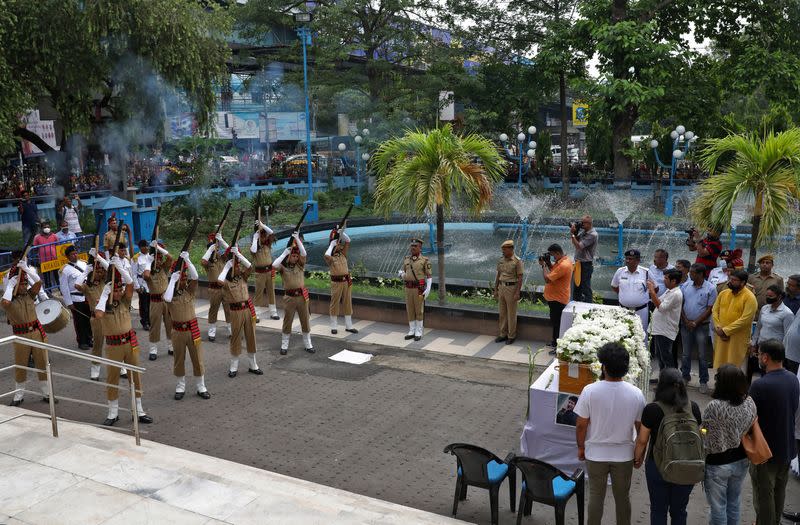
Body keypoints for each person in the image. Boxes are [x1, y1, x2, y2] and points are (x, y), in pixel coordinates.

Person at [574, 342, 645, 525]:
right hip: (623, 456)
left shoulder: (590, 391)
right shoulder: (636, 394)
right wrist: (639, 454)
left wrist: (581, 447)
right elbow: (640, 429)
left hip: (595, 454)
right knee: (622, 498)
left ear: (604, 367)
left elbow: (581, 425)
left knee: (596, 496)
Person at [633, 369, 702, 525]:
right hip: (687, 466)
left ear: (661, 386)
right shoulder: (694, 408)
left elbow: (642, 440)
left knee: (658, 509)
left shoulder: (652, 409)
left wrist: (637, 458)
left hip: (657, 465)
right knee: (679, 511)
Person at [94, 255, 152, 427]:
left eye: (119, 290)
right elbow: (98, 315)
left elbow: (130, 283)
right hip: (113, 346)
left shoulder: (125, 301)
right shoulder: (102, 303)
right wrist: (105, 295)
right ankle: (113, 413)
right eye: (115, 291)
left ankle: (139, 411)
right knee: (113, 379)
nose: (118, 293)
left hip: (129, 342)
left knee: (135, 377)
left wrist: (119, 267)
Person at [748, 339, 799, 525]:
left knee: (764, 497)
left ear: (766, 357)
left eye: (759, 354)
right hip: (786, 448)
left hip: (765, 452)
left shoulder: (760, 386)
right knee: (779, 492)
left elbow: (749, 418)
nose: (758, 357)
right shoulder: (793, 379)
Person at [701, 364, 758, 525]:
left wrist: (701, 431)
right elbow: (749, 426)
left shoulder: (715, 406)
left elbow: (705, 432)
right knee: (734, 503)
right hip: (741, 459)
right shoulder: (749, 402)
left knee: (718, 507)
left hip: (718, 463)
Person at [1, 253, 52, 405]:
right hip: (20, 335)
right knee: (20, 365)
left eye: (24, 284)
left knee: (42, 364)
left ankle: (47, 393)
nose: (23, 287)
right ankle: (18, 395)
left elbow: (38, 283)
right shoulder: (9, 302)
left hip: (36, 332)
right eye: (21, 285)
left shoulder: (29, 295)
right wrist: (10, 285)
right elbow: (4, 302)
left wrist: (27, 271)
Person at [164, 252, 210, 400]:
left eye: (184, 278)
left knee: (197, 358)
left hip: (192, 329)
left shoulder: (189, 291)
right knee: (179, 359)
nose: (184, 281)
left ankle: (200, 386)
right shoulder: (171, 293)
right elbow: (166, 298)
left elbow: (195, 277)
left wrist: (188, 260)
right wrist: (172, 281)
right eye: (181, 279)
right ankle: (180, 386)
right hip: (178, 331)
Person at [219, 242, 262, 375]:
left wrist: (238, 255)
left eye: (237, 265)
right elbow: (219, 281)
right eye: (236, 266)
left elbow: (250, 266)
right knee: (236, 337)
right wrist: (226, 267)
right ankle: (234, 366)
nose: (238, 267)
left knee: (251, 336)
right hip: (235, 311)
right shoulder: (226, 282)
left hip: (247, 309)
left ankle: (253, 365)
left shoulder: (243, 276)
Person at [273, 233, 314, 354]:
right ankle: (284, 345)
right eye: (293, 256)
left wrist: (296, 239)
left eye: (297, 256)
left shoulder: (300, 265)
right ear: (289, 256)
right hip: (289, 297)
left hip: (301, 297)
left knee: (305, 320)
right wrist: (285, 253)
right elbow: (274, 265)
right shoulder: (283, 267)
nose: (296, 258)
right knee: (288, 321)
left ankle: (308, 344)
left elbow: (304, 253)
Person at [679, 263, 717, 393]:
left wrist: (695, 322)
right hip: (685, 325)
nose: (689, 274)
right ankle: (685, 376)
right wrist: (685, 320)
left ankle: (703, 381)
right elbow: (681, 304)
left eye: (693, 272)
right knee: (685, 354)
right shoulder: (686, 285)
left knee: (702, 355)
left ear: (700, 274)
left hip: (701, 326)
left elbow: (709, 309)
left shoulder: (711, 289)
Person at [712, 270, 758, 369]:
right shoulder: (723, 293)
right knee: (720, 366)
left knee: (734, 368)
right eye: (730, 279)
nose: (730, 282)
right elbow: (715, 311)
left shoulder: (750, 297)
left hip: (737, 339)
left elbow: (745, 320)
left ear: (743, 282)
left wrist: (726, 331)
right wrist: (718, 328)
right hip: (721, 337)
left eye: (734, 280)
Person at [75, 250, 108, 381]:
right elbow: (76, 285)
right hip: (96, 318)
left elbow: (110, 268)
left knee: (114, 343)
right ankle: (95, 370)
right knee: (98, 344)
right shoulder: (87, 287)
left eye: (101, 272)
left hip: (109, 317)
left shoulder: (106, 282)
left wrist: (99, 258)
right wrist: (85, 271)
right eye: (97, 271)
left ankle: (120, 367)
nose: (100, 273)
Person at [750, 285, 794, 375]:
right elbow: (758, 327)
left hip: (775, 350)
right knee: (762, 373)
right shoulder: (764, 308)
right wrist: (754, 344)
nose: (767, 298)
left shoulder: (787, 313)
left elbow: (787, 335)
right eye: (767, 296)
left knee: (772, 374)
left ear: (779, 297)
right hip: (762, 348)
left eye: (770, 296)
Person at [647, 269, 683, 373]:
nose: (664, 280)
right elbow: (657, 301)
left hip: (665, 330)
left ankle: (671, 381)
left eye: (666, 278)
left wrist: (652, 291)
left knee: (666, 357)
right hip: (660, 329)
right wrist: (653, 291)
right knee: (660, 356)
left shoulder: (676, 293)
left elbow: (661, 307)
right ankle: (663, 378)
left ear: (674, 281)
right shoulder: (669, 291)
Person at [324, 227, 358, 335]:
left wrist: (340, 232)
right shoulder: (330, 256)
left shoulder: (343, 253)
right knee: (335, 303)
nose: (341, 245)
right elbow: (326, 255)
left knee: (348, 303)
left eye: (340, 243)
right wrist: (332, 244)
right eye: (338, 243)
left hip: (346, 281)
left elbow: (348, 240)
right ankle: (334, 326)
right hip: (336, 282)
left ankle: (349, 325)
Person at [143, 241, 173, 360]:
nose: (159, 262)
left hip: (167, 300)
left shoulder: (164, 269)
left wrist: (159, 248)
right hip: (155, 302)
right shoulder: (149, 272)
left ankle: (171, 347)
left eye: (160, 259)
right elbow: (145, 276)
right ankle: (153, 349)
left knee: (170, 324)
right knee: (155, 325)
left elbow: (170, 258)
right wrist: (148, 262)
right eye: (157, 260)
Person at [541, 243, 573, 352]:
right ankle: (555, 342)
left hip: (558, 299)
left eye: (553, 255)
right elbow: (554, 270)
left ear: (558, 253)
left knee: (558, 323)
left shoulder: (564, 265)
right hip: (555, 297)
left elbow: (547, 279)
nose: (552, 258)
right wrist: (549, 263)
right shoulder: (563, 261)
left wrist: (543, 265)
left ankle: (559, 346)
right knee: (555, 322)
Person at [398, 238, 432, 341]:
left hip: (419, 289)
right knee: (410, 309)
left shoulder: (424, 260)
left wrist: (428, 289)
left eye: (415, 246)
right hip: (408, 288)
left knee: (419, 310)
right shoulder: (407, 259)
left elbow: (429, 276)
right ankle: (412, 330)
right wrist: (401, 275)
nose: (412, 248)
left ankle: (419, 331)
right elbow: (404, 272)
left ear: (420, 248)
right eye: (412, 246)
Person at [59, 245, 92, 350]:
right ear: (67, 257)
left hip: (87, 297)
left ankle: (89, 338)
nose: (75, 255)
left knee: (89, 319)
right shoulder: (65, 270)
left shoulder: (84, 264)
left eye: (76, 253)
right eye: (72, 254)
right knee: (79, 321)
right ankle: (82, 341)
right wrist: (69, 303)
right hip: (76, 299)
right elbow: (64, 288)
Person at [611, 249, 650, 333]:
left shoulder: (646, 272)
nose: (627, 261)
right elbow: (614, 286)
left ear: (638, 260)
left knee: (641, 334)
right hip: (623, 310)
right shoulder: (620, 271)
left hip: (641, 311)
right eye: (627, 258)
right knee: (622, 333)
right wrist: (624, 295)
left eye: (630, 259)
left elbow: (655, 289)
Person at [201, 232, 231, 341]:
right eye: (215, 250)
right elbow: (203, 261)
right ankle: (212, 332)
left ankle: (231, 330)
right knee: (213, 309)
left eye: (217, 250)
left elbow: (230, 251)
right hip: (214, 289)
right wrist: (210, 250)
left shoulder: (222, 259)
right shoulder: (208, 263)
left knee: (228, 309)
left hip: (225, 288)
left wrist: (221, 240)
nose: (217, 251)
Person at [495, 239, 524, 345]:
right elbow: (498, 275)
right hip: (502, 287)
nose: (503, 251)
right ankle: (503, 334)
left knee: (511, 313)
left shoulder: (517, 261)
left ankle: (511, 335)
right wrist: (495, 289)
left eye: (505, 249)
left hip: (512, 288)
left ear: (511, 249)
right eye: (502, 249)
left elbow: (520, 278)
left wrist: (517, 292)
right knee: (502, 313)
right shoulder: (501, 260)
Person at [250, 220, 280, 322]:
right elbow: (253, 250)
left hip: (269, 271)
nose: (264, 237)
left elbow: (271, 232)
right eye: (261, 235)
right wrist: (255, 238)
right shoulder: (254, 247)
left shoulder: (268, 244)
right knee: (259, 293)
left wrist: (262, 225)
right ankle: (256, 314)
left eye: (264, 235)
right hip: (260, 273)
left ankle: (273, 312)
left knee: (271, 292)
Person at [570, 215, 598, 303]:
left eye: (583, 223)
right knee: (577, 287)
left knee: (585, 288)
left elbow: (578, 246)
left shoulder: (592, 234)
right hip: (579, 263)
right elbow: (577, 240)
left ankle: (588, 307)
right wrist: (575, 232)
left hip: (586, 265)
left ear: (589, 224)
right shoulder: (585, 232)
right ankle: (576, 305)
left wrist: (572, 235)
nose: (581, 224)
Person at [131, 239, 151, 330]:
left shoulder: (151, 256)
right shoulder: (136, 258)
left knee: (150, 303)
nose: (146, 248)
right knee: (144, 304)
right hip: (141, 283)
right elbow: (133, 274)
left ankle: (150, 320)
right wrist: (137, 286)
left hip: (151, 283)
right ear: (140, 247)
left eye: (147, 246)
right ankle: (145, 321)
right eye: (144, 246)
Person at [33, 221, 59, 290]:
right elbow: (35, 249)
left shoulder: (54, 236)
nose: (47, 228)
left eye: (48, 227)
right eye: (45, 227)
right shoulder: (37, 237)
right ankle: (49, 292)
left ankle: (61, 290)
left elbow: (58, 246)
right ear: (41, 228)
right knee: (47, 278)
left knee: (57, 276)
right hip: (44, 261)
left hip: (54, 259)